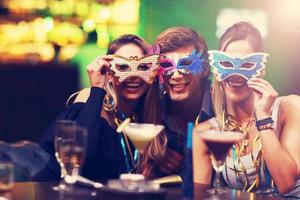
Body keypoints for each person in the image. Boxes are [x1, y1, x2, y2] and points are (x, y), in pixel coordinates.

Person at [34, 34, 166, 181]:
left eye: (142, 67)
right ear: (108, 73)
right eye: (123, 67)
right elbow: (80, 159)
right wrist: (97, 88)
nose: (133, 76)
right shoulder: (89, 100)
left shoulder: (143, 116)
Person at [193, 21, 300, 198]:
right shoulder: (205, 133)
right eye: (227, 64)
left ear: (261, 69)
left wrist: (263, 117)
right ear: (217, 69)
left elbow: (286, 183)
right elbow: (200, 196)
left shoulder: (290, 108)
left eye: (247, 65)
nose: (236, 74)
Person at [140, 27, 214, 178]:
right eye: (167, 66)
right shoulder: (150, 107)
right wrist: (155, 157)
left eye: (186, 64)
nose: (176, 75)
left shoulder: (222, 108)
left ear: (205, 69)